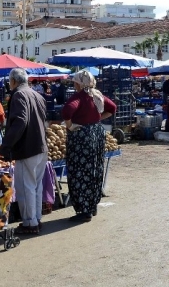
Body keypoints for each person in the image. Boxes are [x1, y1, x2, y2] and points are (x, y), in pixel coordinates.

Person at [61, 70, 117, 223]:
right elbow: (112, 108)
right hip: (97, 135)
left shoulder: (80, 97)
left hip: (82, 139)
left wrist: (70, 126)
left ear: (80, 84)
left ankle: (84, 211)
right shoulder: (97, 95)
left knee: (79, 172)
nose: (74, 85)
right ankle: (92, 206)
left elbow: (67, 111)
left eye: (75, 82)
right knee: (95, 170)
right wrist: (98, 118)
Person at [0, 68, 48, 235]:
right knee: (36, 186)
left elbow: (20, 122)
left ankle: (30, 223)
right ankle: (36, 219)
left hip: (27, 148)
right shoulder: (37, 95)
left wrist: (6, 146)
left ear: (13, 81)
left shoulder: (19, 95)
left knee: (26, 187)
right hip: (40, 146)